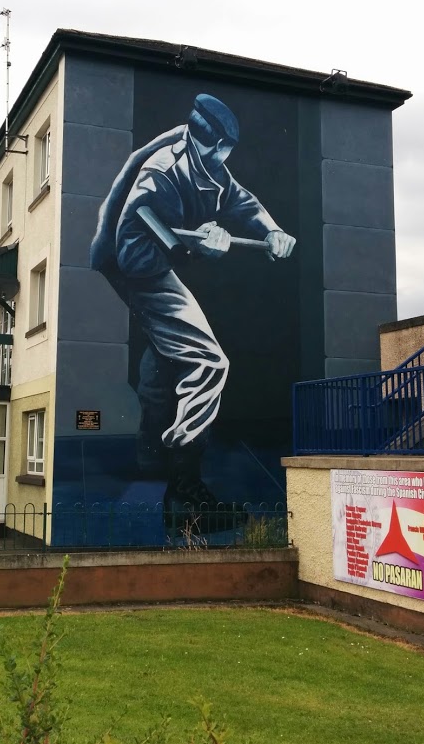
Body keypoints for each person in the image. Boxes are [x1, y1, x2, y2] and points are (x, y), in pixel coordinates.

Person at [90, 94, 296, 524]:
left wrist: (272, 231)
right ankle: (185, 485)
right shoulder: (161, 175)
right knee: (208, 361)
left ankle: (152, 460)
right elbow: (134, 257)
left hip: (148, 259)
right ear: (219, 146)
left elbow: (242, 201)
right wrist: (197, 247)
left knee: (167, 355)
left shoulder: (204, 160)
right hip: (134, 267)